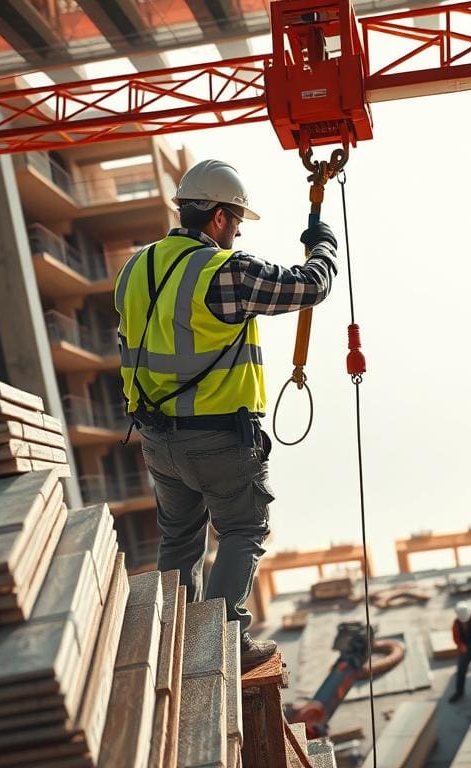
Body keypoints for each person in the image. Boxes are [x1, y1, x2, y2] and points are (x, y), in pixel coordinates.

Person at [114, 159, 338, 669]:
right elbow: (311, 286)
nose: (237, 231)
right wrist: (323, 243)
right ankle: (222, 643)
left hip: (157, 440)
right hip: (218, 438)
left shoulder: (135, 269)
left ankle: (172, 644)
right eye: (236, 220)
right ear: (217, 217)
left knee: (180, 541)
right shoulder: (225, 272)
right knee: (242, 531)